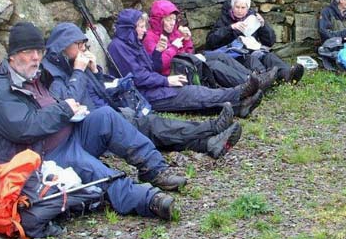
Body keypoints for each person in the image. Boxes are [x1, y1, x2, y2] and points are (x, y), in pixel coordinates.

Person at [0, 22, 184, 221]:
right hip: (45, 157)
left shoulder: (36, 76)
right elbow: (25, 128)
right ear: (12, 55)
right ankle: (146, 200)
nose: (36, 58)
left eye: (39, 51)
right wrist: (64, 109)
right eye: (28, 52)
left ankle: (155, 169)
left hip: (70, 135)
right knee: (93, 169)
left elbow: (63, 102)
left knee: (105, 116)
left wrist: (71, 106)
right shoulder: (3, 91)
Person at [43, 22, 242, 159]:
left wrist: (95, 73)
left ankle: (209, 144)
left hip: (112, 114)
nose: (82, 48)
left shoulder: (73, 64)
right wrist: (79, 71)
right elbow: (69, 105)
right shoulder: (54, 74)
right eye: (77, 44)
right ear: (62, 46)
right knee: (154, 126)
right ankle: (212, 126)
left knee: (155, 130)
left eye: (84, 44)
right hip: (94, 128)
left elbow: (102, 93)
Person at [108, 9, 263, 118]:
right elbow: (137, 78)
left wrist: (157, 53)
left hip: (153, 86)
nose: (143, 30)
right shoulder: (118, 47)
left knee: (194, 97)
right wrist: (166, 81)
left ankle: (240, 106)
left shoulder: (133, 42)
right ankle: (239, 92)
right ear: (130, 29)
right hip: (143, 94)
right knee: (192, 94)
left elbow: (151, 67)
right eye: (140, 27)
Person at [142, 0, 277, 90]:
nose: (172, 23)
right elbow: (158, 65)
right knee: (212, 65)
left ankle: (254, 77)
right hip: (174, 74)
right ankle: (249, 83)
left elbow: (188, 53)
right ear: (159, 20)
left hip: (186, 64)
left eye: (173, 19)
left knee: (218, 56)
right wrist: (174, 48)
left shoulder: (175, 32)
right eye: (168, 20)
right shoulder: (150, 38)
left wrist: (187, 40)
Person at [205, 0, 304, 84]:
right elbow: (211, 41)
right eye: (237, 7)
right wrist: (230, 28)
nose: (239, 11)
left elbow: (270, 41)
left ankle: (287, 75)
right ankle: (265, 81)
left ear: (247, 8)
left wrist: (263, 25)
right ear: (232, 7)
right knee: (252, 61)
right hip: (236, 55)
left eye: (243, 8)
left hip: (255, 51)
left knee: (269, 57)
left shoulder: (253, 18)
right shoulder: (224, 19)